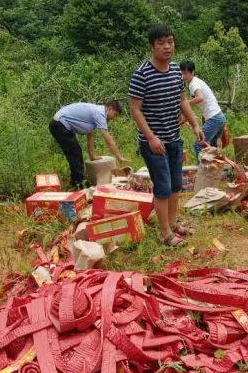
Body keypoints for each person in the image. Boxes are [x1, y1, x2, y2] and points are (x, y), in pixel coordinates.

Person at [129, 25, 205, 247]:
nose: (167, 47)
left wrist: (194, 124)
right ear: (152, 46)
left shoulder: (174, 71)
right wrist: (151, 137)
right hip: (154, 143)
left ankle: (172, 224)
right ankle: (165, 233)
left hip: (174, 138)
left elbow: (182, 101)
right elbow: (135, 109)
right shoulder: (141, 74)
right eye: (161, 43)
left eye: (170, 42)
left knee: (175, 185)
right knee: (162, 187)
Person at [49, 100, 128, 190]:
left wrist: (92, 156)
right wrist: (119, 157)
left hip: (61, 125)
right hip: (59, 125)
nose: (114, 118)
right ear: (110, 109)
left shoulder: (95, 113)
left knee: (75, 151)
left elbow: (90, 137)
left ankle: (75, 181)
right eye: (115, 114)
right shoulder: (100, 114)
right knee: (75, 152)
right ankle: (78, 184)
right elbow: (109, 141)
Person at [180, 61, 227, 161]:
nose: (183, 76)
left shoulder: (193, 83)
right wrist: (185, 116)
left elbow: (200, 98)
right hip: (219, 117)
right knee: (214, 147)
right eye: (181, 73)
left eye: (185, 73)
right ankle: (219, 171)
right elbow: (195, 103)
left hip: (214, 118)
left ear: (192, 72)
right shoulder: (196, 82)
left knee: (198, 145)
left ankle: (202, 172)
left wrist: (184, 104)